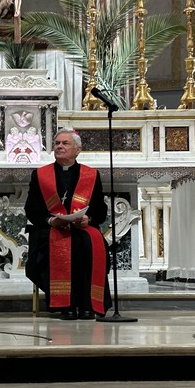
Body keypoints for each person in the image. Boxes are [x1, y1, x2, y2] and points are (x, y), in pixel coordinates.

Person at [24, 128, 112, 320]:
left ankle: (88, 304)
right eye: (57, 143)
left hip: (81, 228)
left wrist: (89, 219)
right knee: (57, 245)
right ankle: (66, 305)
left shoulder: (91, 175)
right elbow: (32, 208)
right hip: (51, 229)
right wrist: (50, 220)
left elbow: (100, 209)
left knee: (88, 244)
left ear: (77, 150)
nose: (60, 147)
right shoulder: (40, 175)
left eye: (65, 143)